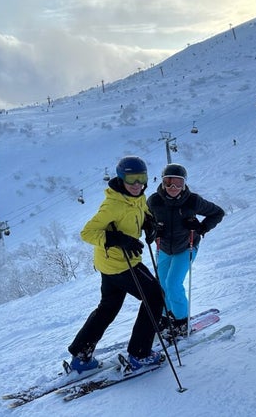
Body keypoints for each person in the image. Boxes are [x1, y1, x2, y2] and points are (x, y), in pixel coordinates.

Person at [67, 156, 165, 372]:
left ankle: (81, 356)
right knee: (155, 297)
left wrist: (149, 223)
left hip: (109, 265)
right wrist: (116, 239)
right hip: (122, 265)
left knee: (108, 307)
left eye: (142, 178)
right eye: (132, 179)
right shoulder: (113, 205)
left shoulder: (136, 196)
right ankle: (140, 354)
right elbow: (87, 233)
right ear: (121, 180)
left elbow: (141, 211)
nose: (137, 184)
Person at [146, 163, 224, 339]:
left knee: (173, 284)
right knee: (162, 285)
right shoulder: (154, 201)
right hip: (164, 247)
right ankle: (166, 318)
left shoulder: (192, 201)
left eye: (178, 183)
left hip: (186, 246)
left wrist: (201, 227)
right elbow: (145, 219)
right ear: (163, 182)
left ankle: (182, 322)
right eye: (169, 182)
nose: (173, 187)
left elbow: (217, 212)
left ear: (184, 184)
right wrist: (153, 229)